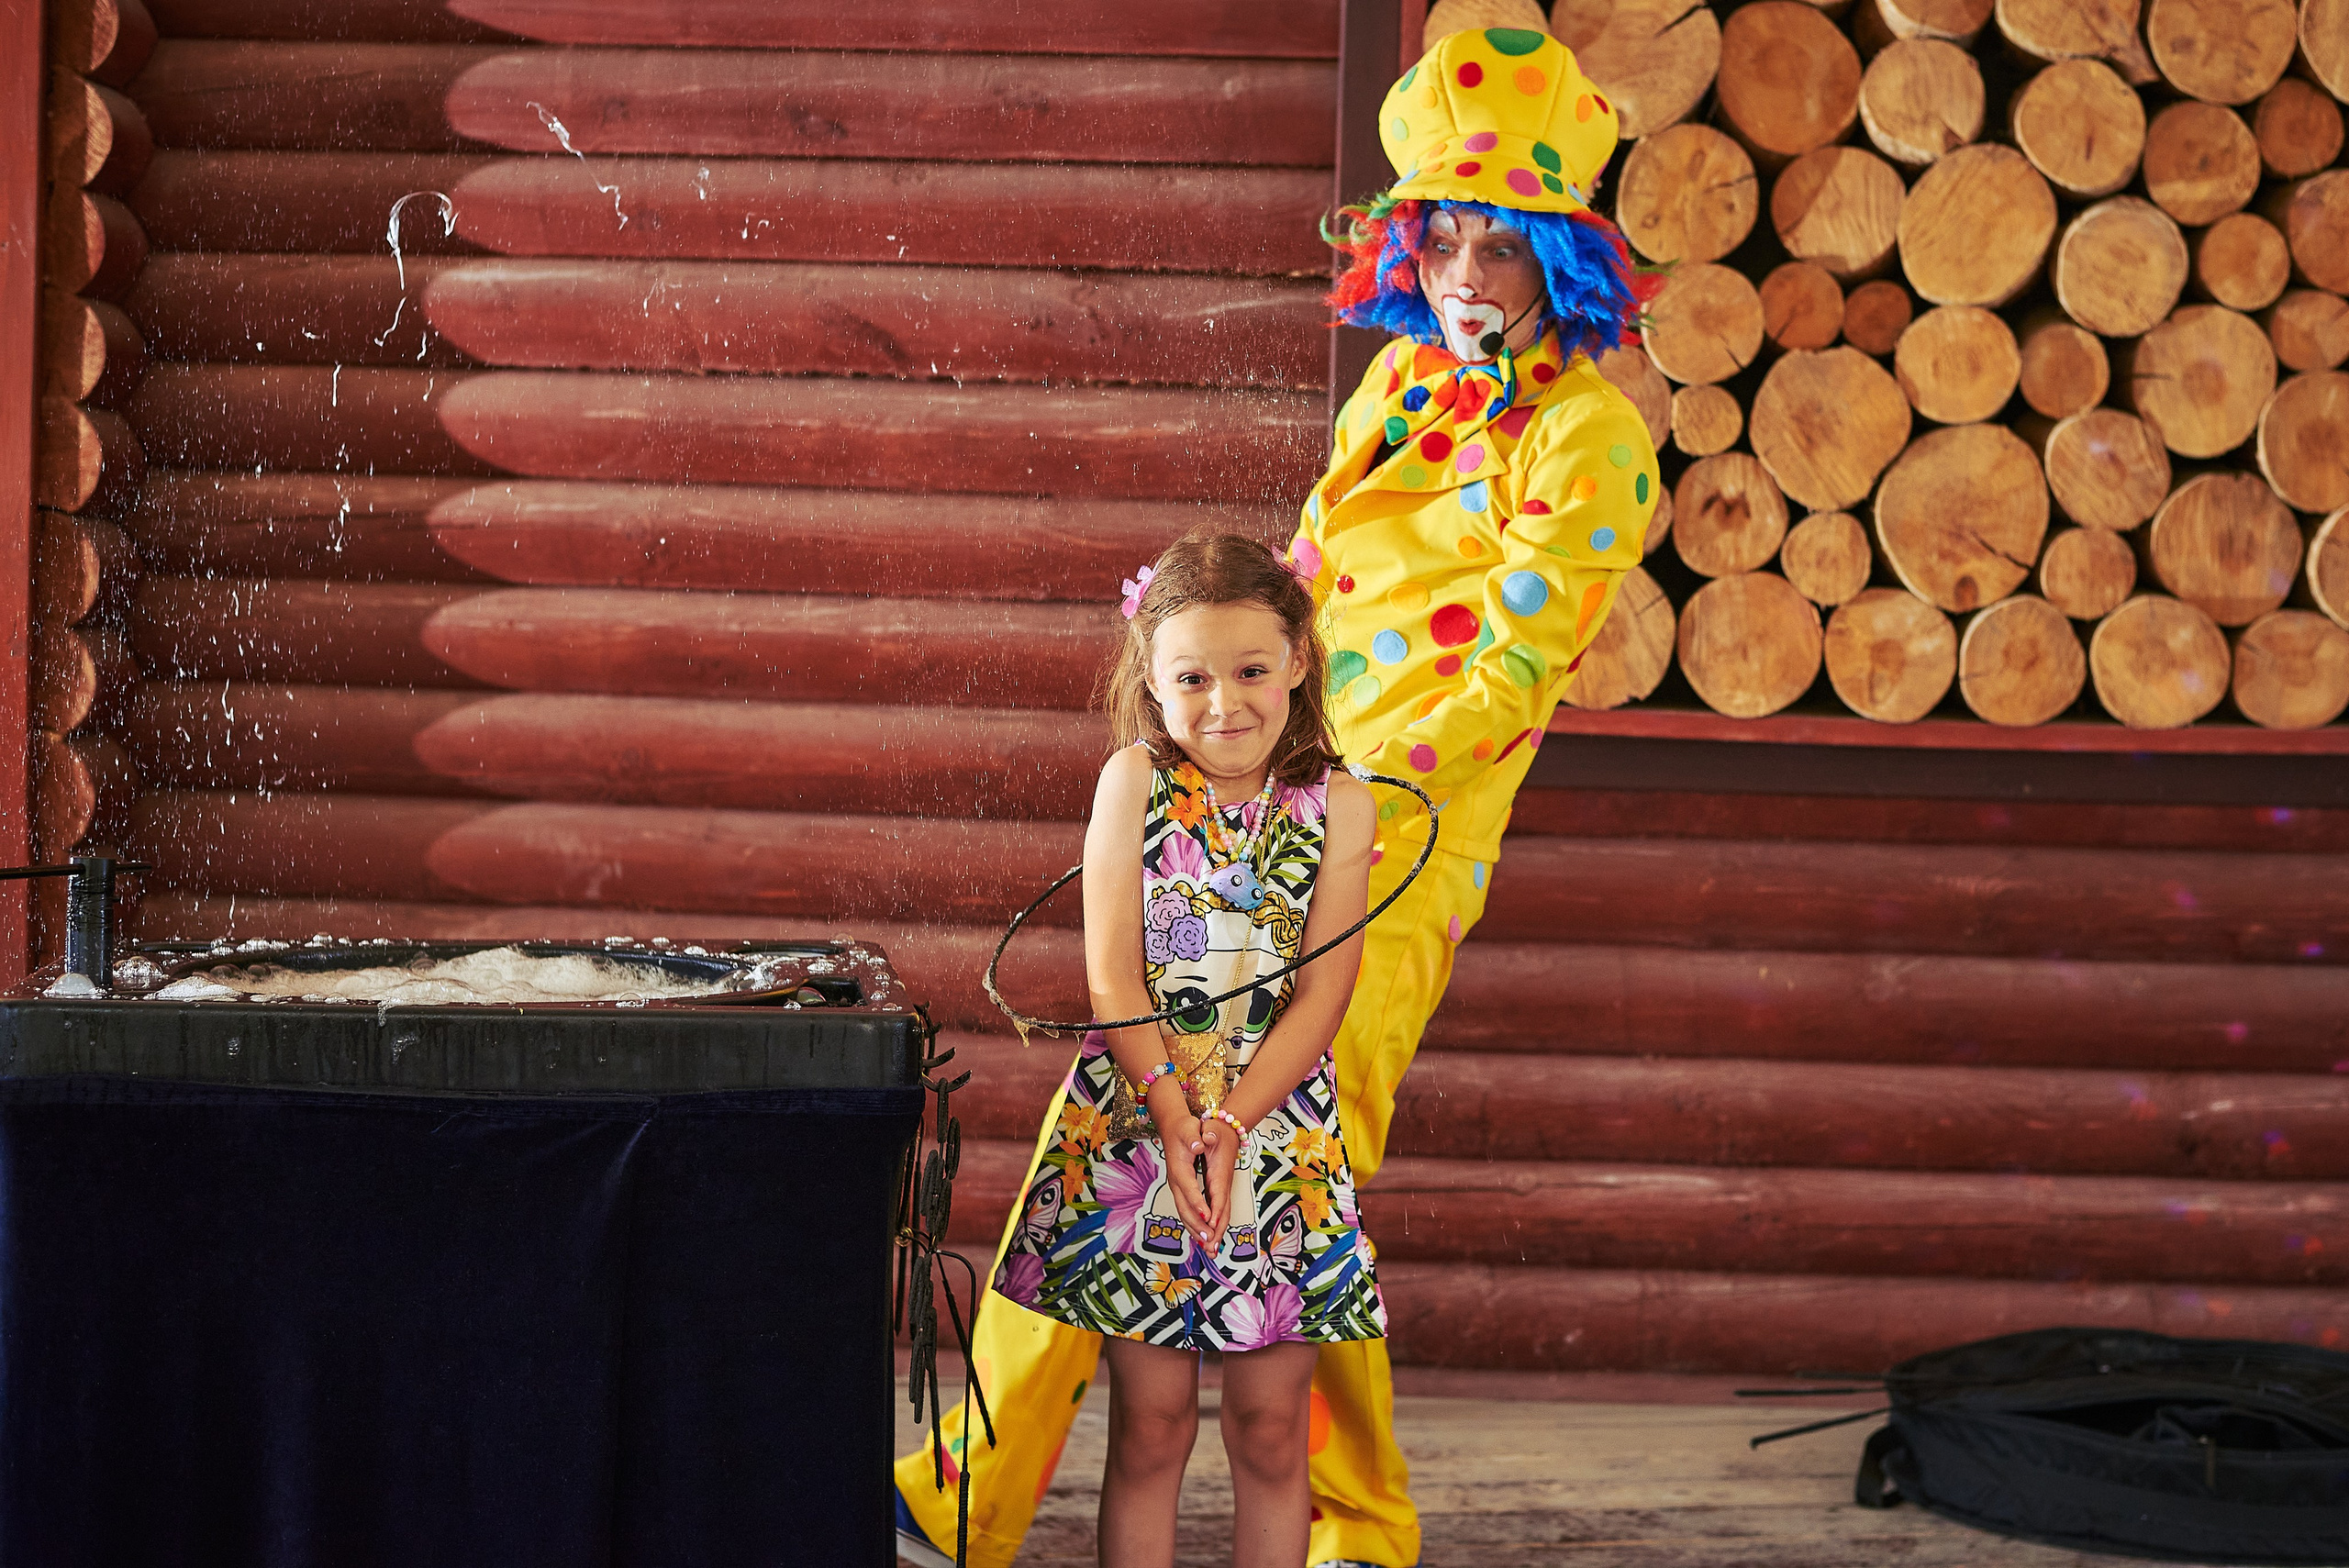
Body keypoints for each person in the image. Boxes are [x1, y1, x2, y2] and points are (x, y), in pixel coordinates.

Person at [897, 26, 1660, 1568]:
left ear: (1560, 259)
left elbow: (1509, 671)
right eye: (1437, 229)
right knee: (1110, 1125)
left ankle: (1360, 1532)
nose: (1460, 265)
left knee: (1289, 1177)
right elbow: (1301, 593)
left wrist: (1328, 811)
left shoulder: (1591, 438)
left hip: (1389, 848)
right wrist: (1209, 733)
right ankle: (963, 1491)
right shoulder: (1395, 386)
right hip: (1249, 804)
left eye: (1496, 239)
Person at [994, 532, 1379, 1568]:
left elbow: (1321, 994)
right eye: (1193, 677)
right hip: (1137, 1125)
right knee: (1152, 1421)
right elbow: (1113, 976)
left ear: (1299, 656)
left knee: (1267, 1422)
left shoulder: (1342, 805)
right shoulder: (1134, 781)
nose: (1225, 701)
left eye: (1252, 669)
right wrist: (1172, 1114)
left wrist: (1229, 1121)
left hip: (1274, 1131)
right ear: (1152, 678)